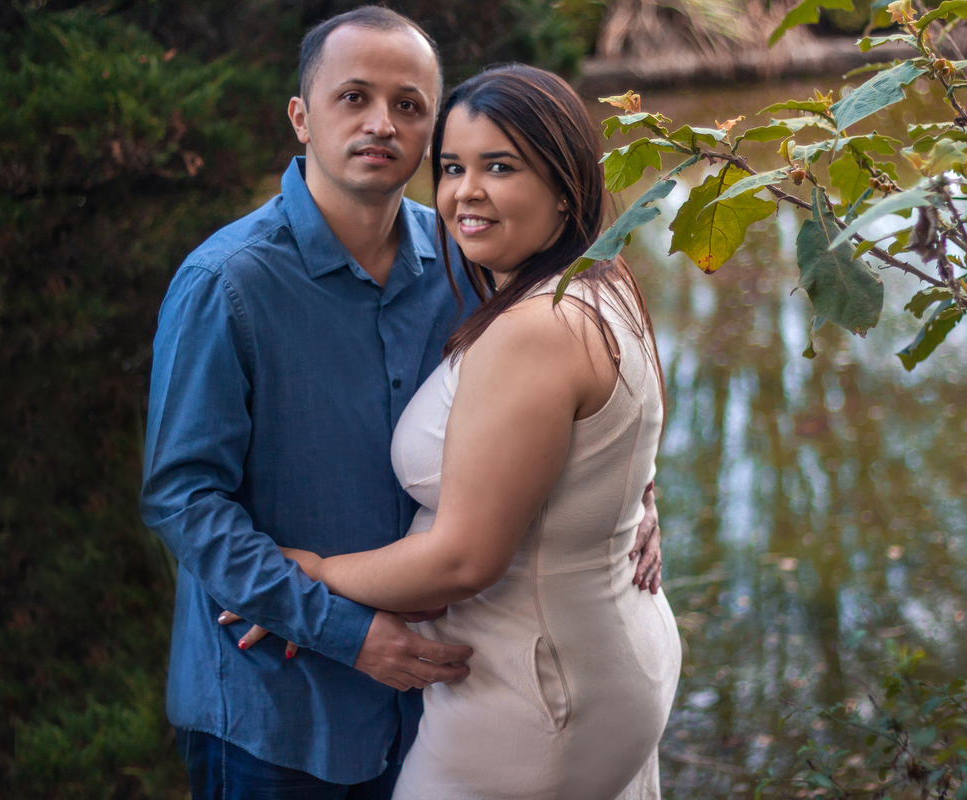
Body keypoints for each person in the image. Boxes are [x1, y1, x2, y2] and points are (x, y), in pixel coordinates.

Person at [140, 7, 663, 799]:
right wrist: (341, 631)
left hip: (440, 697)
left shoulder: (471, 261)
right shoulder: (227, 285)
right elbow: (184, 502)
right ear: (301, 117)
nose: (381, 123)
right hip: (279, 712)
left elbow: (578, 393)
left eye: (410, 106)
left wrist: (630, 496)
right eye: (353, 97)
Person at [271, 64, 682, 799]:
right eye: (453, 167)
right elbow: (600, 451)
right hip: (604, 649)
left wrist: (308, 574)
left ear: (564, 184)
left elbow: (464, 561)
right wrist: (631, 505)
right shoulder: (603, 278)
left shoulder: (533, 329)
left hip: (535, 693)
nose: (465, 193)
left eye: (500, 166)